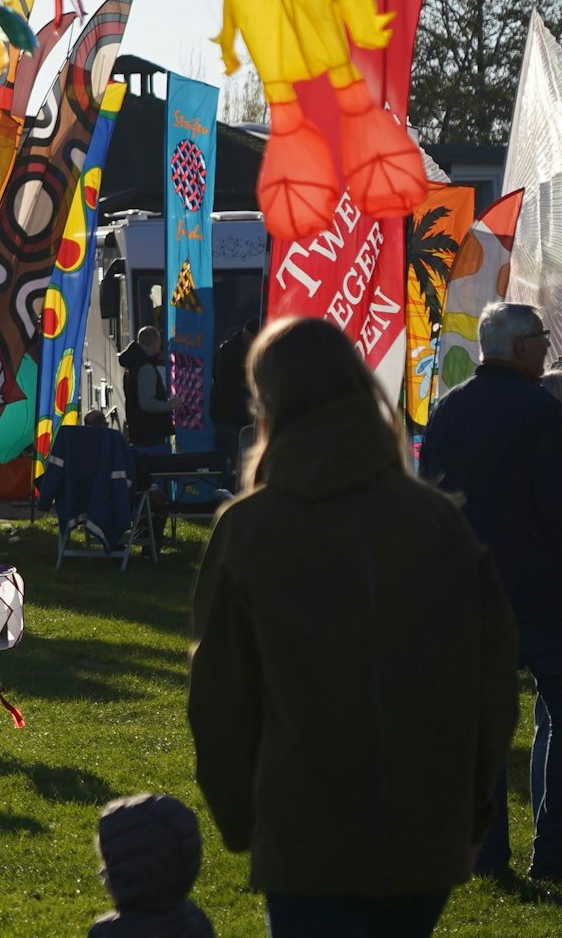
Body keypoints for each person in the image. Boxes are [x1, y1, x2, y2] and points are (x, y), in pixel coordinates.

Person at [189, 317, 517, 937]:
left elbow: (218, 699)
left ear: (269, 401)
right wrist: (470, 816)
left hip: (306, 837)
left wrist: (243, 821)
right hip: (423, 838)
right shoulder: (438, 523)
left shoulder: (253, 529)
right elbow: (492, 686)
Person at [420, 301, 562, 880]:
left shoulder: (447, 410)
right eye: (542, 336)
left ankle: (487, 856)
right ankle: (552, 851)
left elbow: (431, 503)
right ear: (521, 348)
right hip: (542, 597)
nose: (548, 345)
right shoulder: (542, 412)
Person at [89, 793, 212, 937]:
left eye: (106, 863)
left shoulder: (108, 932)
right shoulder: (194, 919)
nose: (101, 872)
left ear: (131, 871)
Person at [118, 326, 174, 453]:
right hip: (151, 434)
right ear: (154, 343)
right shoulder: (146, 367)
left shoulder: (133, 365)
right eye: (159, 341)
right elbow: (147, 403)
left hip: (139, 432)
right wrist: (170, 405)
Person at [209, 321, 257, 456]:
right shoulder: (228, 353)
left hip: (240, 415)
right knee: (234, 454)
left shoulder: (240, 350)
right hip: (228, 416)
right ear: (248, 336)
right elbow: (227, 389)